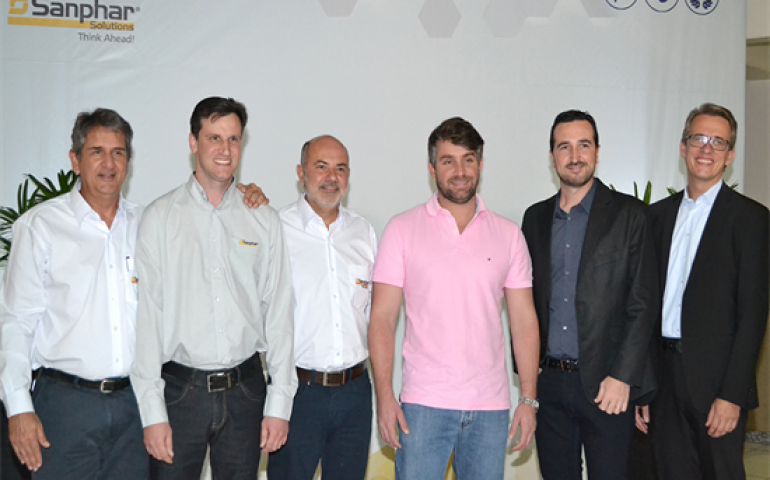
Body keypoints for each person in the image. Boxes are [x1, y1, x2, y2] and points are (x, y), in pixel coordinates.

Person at [129, 96, 297, 479]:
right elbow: (147, 319)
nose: (225, 150)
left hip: (246, 393)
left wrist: (279, 404)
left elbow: (280, 316)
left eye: (233, 139)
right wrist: (152, 413)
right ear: (194, 142)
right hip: (179, 394)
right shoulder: (160, 218)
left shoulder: (264, 220)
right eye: (214, 138)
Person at [368, 117, 540, 480]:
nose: (460, 171)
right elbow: (382, 319)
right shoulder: (401, 230)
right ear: (432, 169)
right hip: (423, 406)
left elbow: (524, 320)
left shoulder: (509, 235)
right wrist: (384, 396)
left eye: (468, 159)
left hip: (491, 409)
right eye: (448, 161)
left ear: (480, 165)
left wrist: (528, 399)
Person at [0, 108, 149, 479]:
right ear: (75, 160)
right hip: (65, 407)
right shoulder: (40, 226)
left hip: (134, 409)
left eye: (118, 153)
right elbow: (17, 321)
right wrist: (18, 407)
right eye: (97, 152)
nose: (108, 164)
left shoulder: (147, 225)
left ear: (128, 161)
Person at [521, 109, 659, 480]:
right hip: (550, 385)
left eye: (583, 145)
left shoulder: (631, 215)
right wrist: (530, 374)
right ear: (552, 157)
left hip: (607, 386)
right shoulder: (534, 219)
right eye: (564, 147)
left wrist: (623, 377)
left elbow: (643, 303)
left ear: (597, 152)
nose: (574, 155)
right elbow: (525, 301)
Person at [638, 103, 770, 480]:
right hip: (662, 384)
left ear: (730, 155)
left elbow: (752, 317)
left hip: (717, 387)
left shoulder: (752, 219)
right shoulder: (655, 217)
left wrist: (732, 395)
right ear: (683, 147)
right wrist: (644, 388)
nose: (706, 149)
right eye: (698, 138)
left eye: (718, 142)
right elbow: (645, 309)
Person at [267, 135, 377, 480]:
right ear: (301, 173)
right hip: (298, 393)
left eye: (340, 168)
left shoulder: (363, 232)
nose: (332, 177)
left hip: (355, 393)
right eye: (321, 167)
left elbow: (373, 314)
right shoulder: (276, 228)